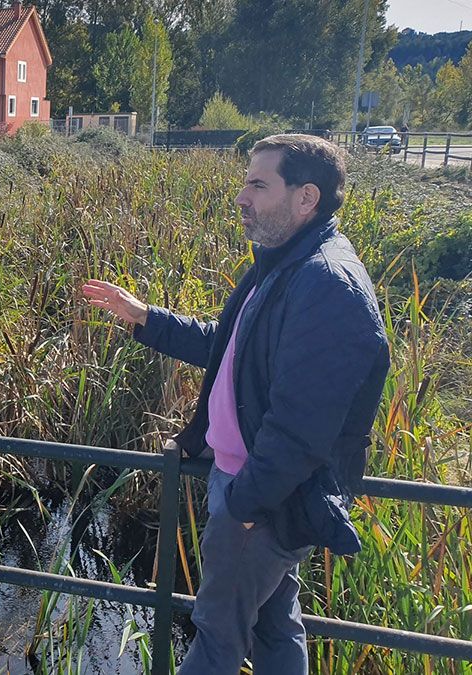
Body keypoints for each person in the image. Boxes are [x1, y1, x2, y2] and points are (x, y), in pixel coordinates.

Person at [82, 134, 390, 673]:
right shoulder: (285, 265)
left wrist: (244, 508)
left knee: (217, 637)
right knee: (275, 629)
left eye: (258, 184)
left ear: (306, 198)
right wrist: (143, 317)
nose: (241, 197)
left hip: (264, 500)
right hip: (253, 490)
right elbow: (224, 346)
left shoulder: (325, 285)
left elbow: (300, 429)